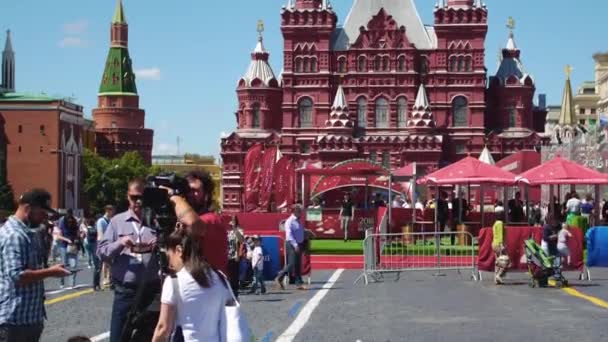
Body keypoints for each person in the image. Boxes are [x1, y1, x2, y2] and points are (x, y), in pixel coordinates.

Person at [0, 189, 71, 341]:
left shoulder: (28, 232)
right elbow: (17, 276)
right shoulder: (14, 235)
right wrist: (50, 272)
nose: (45, 217)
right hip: (15, 320)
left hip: (28, 317)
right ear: (28, 209)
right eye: (42, 213)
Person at [97, 179, 161, 342]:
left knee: (149, 337)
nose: (138, 202)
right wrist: (119, 243)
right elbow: (101, 253)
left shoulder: (156, 221)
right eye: (133, 197)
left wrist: (161, 244)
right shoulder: (117, 222)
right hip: (126, 291)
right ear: (127, 197)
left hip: (151, 291)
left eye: (141, 198)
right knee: (119, 337)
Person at [152, 229, 230, 342]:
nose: (170, 264)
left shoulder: (174, 281)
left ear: (179, 250)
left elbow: (163, 328)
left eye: (169, 256)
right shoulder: (220, 277)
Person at [184, 171, 229, 275]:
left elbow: (193, 224)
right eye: (187, 190)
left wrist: (174, 197)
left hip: (209, 285)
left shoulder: (213, 219)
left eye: (195, 190)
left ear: (206, 195)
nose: (190, 194)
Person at [275, 205, 305, 290]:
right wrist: (295, 245)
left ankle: (298, 282)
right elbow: (289, 235)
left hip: (299, 243)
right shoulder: (290, 221)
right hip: (292, 244)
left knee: (298, 264)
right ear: (295, 212)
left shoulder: (298, 221)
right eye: (299, 211)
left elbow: (299, 232)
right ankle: (279, 276)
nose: (301, 213)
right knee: (291, 263)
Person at [58, 214, 82, 289]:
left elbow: (79, 235)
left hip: (73, 246)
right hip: (64, 246)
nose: (70, 221)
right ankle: (62, 282)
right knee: (64, 265)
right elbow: (59, 236)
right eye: (68, 220)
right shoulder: (62, 225)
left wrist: (78, 238)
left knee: (73, 265)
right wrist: (67, 240)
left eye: (71, 220)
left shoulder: (75, 226)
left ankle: (72, 283)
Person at [96, 205, 115, 289]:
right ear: (108, 210)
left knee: (109, 263)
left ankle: (109, 279)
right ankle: (104, 279)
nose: (113, 213)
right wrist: (104, 244)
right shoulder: (101, 221)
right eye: (112, 211)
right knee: (104, 263)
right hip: (103, 243)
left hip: (109, 243)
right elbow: (100, 234)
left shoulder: (110, 220)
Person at [227, 215, 244, 299]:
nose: (232, 221)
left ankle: (235, 294)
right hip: (226, 256)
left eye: (233, 220)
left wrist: (234, 229)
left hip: (234, 256)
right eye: (231, 220)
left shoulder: (239, 230)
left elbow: (241, 241)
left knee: (234, 276)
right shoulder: (226, 230)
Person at [83, 217, 102, 290]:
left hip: (93, 247)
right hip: (96, 248)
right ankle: (96, 284)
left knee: (97, 268)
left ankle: (96, 285)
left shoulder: (88, 229)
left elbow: (87, 239)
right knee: (98, 268)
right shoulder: (96, 229)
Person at [492, 206, 508, 284]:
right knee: (506, 261)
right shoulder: (500, 223)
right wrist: (502, 245)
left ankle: (496, 278)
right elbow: (500, 235)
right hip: (499, 244)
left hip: (494, 244)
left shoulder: (495, 223)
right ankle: (499, 275)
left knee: (499, 260)